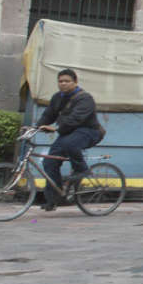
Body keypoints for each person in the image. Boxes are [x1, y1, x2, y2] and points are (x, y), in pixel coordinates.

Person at [35, 68, 103, 211]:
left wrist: (57, 129)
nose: (63, 84)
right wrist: (37, 126)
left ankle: (82, 170)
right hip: (68, 133)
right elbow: (49, 114)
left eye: (67, 81)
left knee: (70, 143)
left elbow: (77, 118)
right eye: (60, 81)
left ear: (75, 82)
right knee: (49, 161)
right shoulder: (57, 97)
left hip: (89, 131)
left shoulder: (85, 98)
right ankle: (54, 199)